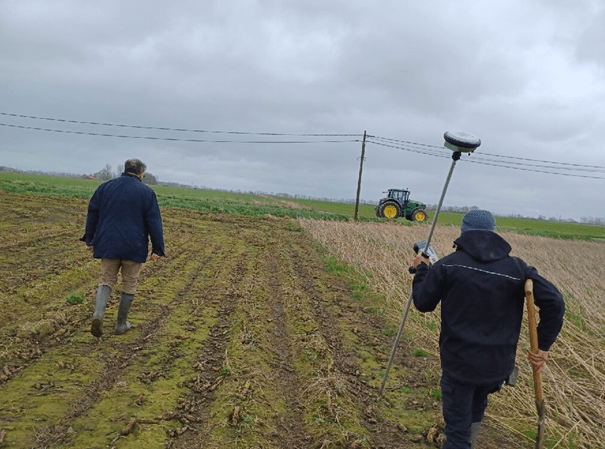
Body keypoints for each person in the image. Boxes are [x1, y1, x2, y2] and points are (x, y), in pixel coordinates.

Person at [411, 209, 564, 449]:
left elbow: (422, 302)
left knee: (457, 435)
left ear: (463, 232)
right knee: (476, 405)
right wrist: (543, 346)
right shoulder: (518, 268)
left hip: (460, 365)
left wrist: (422, 269)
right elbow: (555, 302)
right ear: (493, 232)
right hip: (496, 367)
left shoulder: (448, 265)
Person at [81, 159, 165, 337]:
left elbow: (92, 213)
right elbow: (154, 222)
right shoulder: (146, 192)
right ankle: (121, 324)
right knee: (130, 283)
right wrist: (157, 249)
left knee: (106, 280)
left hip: (108, 242)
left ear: (125, 170)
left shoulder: (105, 188)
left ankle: (98, 314)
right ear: (141, 173)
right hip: (134, 245)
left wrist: (90, 239)